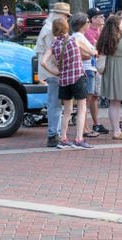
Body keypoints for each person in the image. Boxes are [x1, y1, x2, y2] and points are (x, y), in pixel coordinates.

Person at [40, 17, 92, 149]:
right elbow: (92, 51)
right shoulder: (75, 40)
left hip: (63, 80)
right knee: (81, 108)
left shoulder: (54, 45)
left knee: (67, 111)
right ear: (66, 27)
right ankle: (78, 139)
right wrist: (95, 51)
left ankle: (63, 138)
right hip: (77, 77)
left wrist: (54, 71)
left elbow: (43, 61)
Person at [34, 2, 72, 148]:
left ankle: (54, 133)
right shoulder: (50, 29)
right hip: (52, 70)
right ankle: (53, 134)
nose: (67, 19)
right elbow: (56, 52)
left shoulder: (48, 27)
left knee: (55, 103)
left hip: (51, 70)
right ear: (60, 15)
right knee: (55, 103)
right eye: (66, 16)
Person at [69, 13, 98, 138]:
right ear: (81, 24)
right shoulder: (78, 37)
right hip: (86, 70)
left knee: (86, 101)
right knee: (85, 101)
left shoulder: (80, 36)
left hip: (88, 69)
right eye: (87, 21)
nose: (89, 24)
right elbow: (81, 54)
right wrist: (94, 53)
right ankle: (84, 128)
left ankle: (85, 127)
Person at [84, 7, 109, 134]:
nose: (103, 18)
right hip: (90, 67)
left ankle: (95, 123)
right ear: (92, 19)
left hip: (97, 67)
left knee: (94, 96)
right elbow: (94, 50)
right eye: (100, 16)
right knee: (87, 98)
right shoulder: (87, 32)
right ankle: (84, 126)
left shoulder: (100, 31)